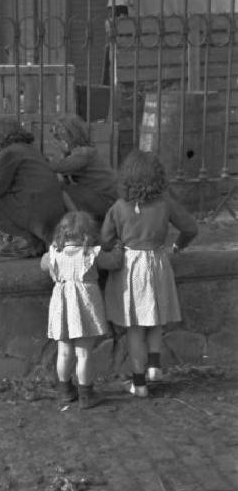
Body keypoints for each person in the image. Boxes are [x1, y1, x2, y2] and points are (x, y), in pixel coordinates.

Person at [100, 149, 198, 398]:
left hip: (130, 267)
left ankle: (139, 382)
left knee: (135, 326)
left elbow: (105, 239)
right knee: (155, 316)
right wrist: (178, 246)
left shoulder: (119, 207)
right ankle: (154, 364)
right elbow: (190, 227)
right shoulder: (165, 203)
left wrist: (116, 247)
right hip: (158, 262)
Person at [40, 211, 124, 409]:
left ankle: (65, 391)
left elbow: (43, 264)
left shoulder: (54, 254)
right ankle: (86, 394)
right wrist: (119, 248)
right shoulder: (91, 253)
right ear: (87, 233)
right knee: (84, 353)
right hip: (85, 308)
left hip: (62, 307)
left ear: (61, 233)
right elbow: (114, 262)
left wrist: (50, 256)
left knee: (64, 351)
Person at [0, 121, 66, 257]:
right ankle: (36, 241)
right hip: (53, 207)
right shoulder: (31, 149)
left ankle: (28, 241)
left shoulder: (9, 153)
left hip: (34, 209)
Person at [49, 114, 118, 223]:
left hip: (106, 200)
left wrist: (57, 154)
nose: (56, 138)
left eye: (59, 135)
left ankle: (79, 223)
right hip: (102, 198)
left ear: (71, 135)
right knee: (64, 188)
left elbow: (58, 167)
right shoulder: (80, 152)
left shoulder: (84, 153)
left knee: (62, 190)